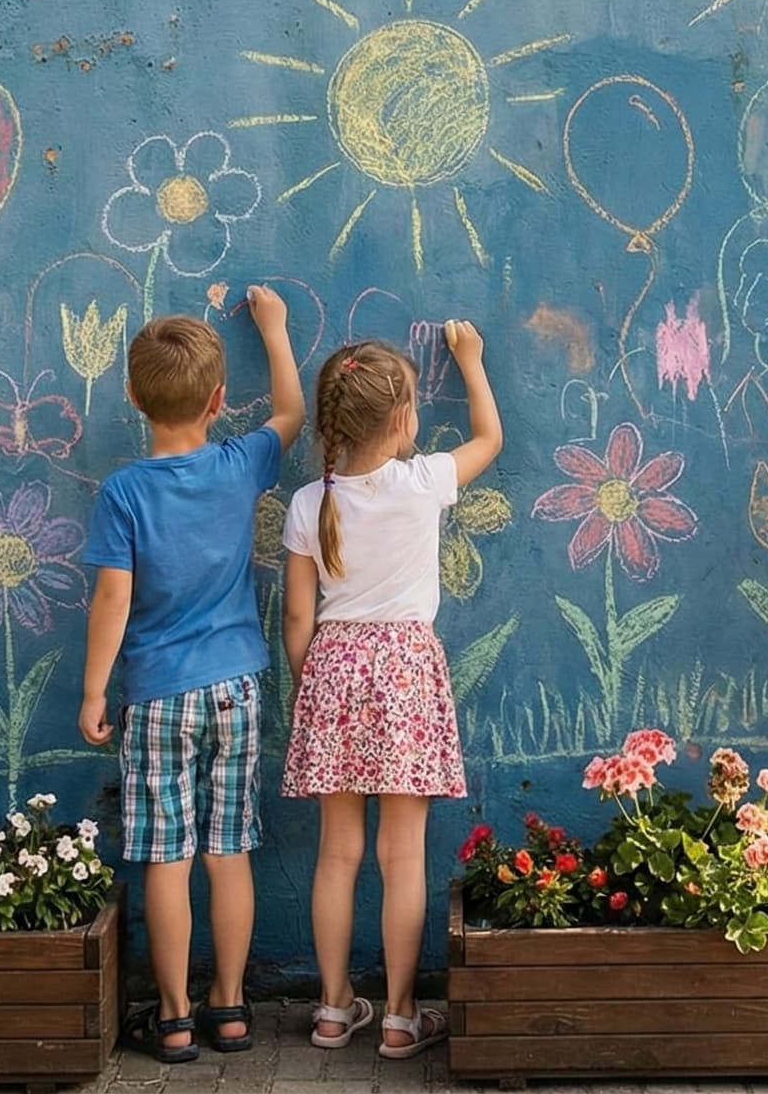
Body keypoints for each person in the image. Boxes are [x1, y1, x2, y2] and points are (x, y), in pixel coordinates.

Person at [79, 289, 304, 1063]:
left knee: (166, 857)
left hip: (156, 695)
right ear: (217, 400)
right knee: (228, 848)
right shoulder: (241, 464)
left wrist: (93, 689)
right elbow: (290, 415)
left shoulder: (124, 494)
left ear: (133, 397)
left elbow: (114, 597)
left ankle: (174, 1017)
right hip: (236, 686)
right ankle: (231, 1006)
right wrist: (275, 333)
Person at [280, 321, 501, 1059]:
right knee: (403, 856)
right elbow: (490, 441)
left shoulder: (310, 503)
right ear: (404, 418)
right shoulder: (421, 483)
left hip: (333, 670)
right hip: (405, 672)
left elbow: (294, 618)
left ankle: (333, 1009)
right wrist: (471, 363)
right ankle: (403, 1015)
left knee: (337, 854)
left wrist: (311, 687)